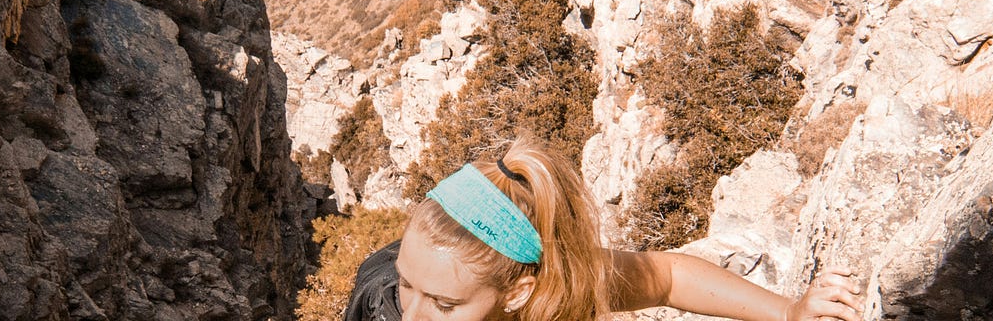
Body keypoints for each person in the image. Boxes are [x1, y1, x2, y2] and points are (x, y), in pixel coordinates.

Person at [343, 137, 864, 321]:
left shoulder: (556, 287)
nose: (413, 315)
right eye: (409, 283)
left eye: (444, 305)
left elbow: (666, 277)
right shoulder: (383, 308)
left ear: (519, 293)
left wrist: (790, 312)